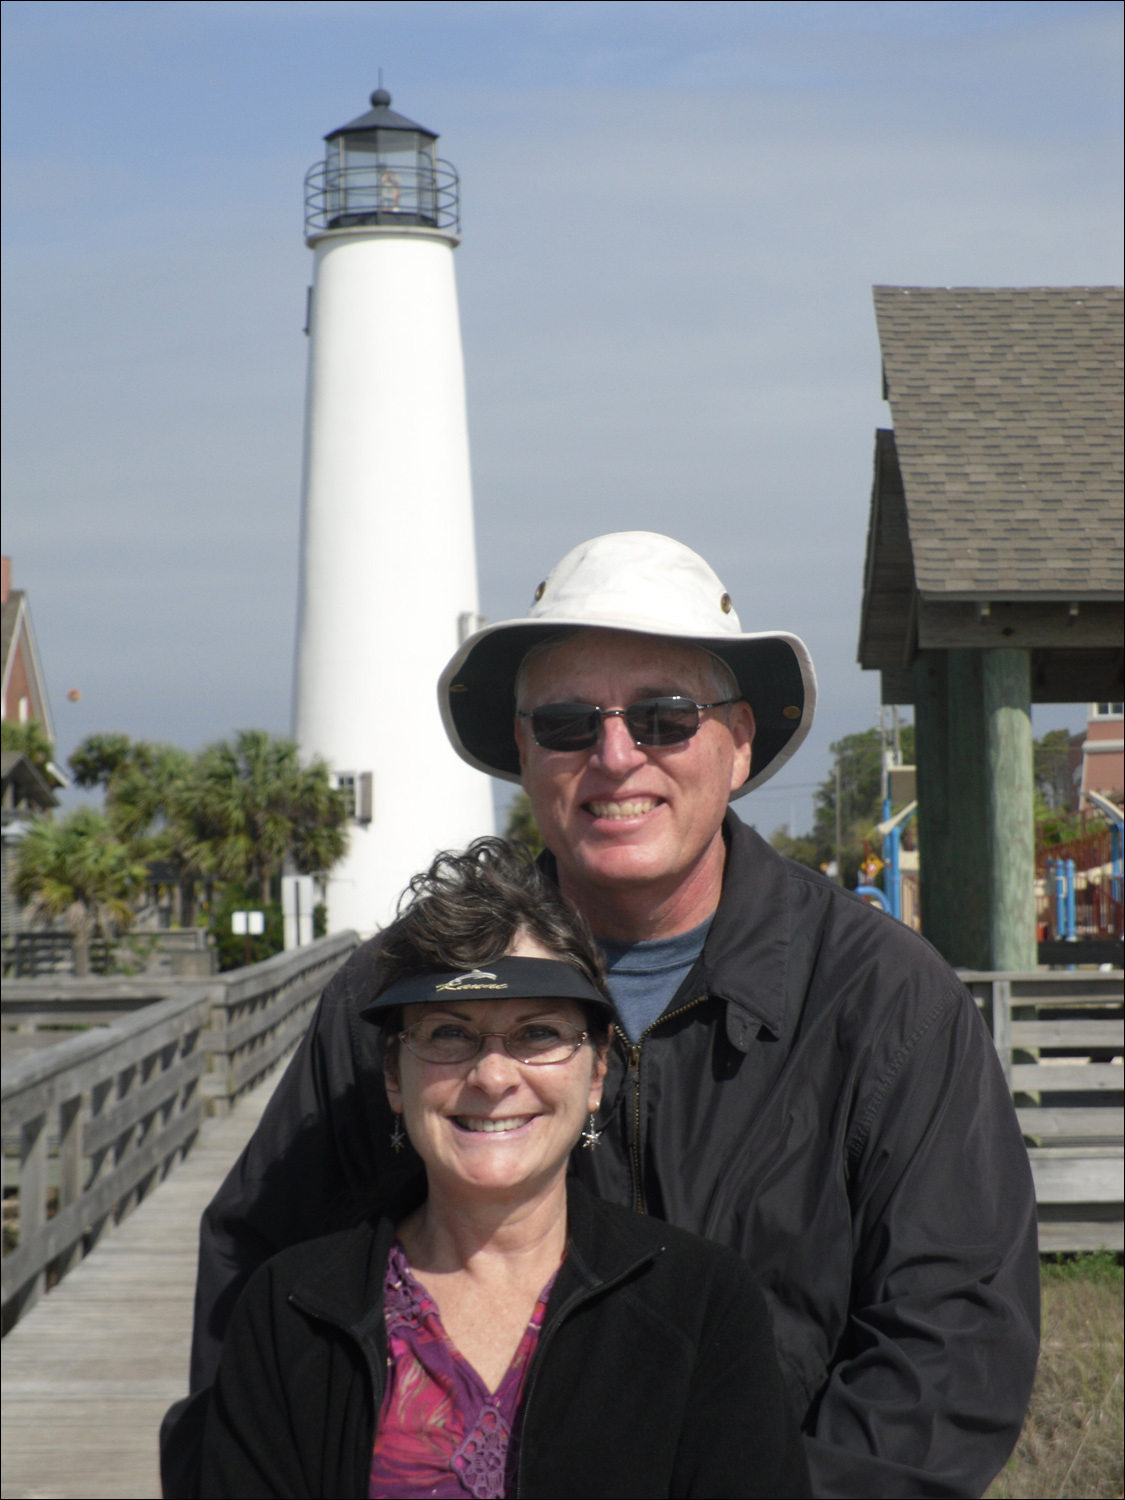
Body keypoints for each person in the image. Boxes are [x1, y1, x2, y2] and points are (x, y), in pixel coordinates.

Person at [164, 531, 1039, 1500]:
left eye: (667, 718)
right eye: (571, 723)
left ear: (739, 742)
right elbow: (259, 1282)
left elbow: (952, 1340)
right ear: (525, 752)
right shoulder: (393, 990)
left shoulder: (887, 1002)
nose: (617, 756)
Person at [198, 840, 810, 1499]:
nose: (492, 1076)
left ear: (597, 1070)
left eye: (537, 1033)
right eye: (448, 1034)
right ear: (393, 1075)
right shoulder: (290, 1312)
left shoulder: (703, 1306)